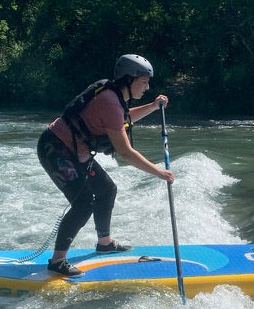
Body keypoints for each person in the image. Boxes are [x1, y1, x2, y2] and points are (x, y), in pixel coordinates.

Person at [37, 53, 174, 277]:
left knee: (106, 189)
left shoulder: (114, 97)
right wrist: (159, 172)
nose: (147, 87)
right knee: (83, 204)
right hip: (56, 149)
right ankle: (57, 261)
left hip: (76, 151)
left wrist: (152, 106)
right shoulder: (110, 100)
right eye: (144, 81)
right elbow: (125, 152)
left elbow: (122, 117)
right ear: (129, 80)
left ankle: (105, 243)